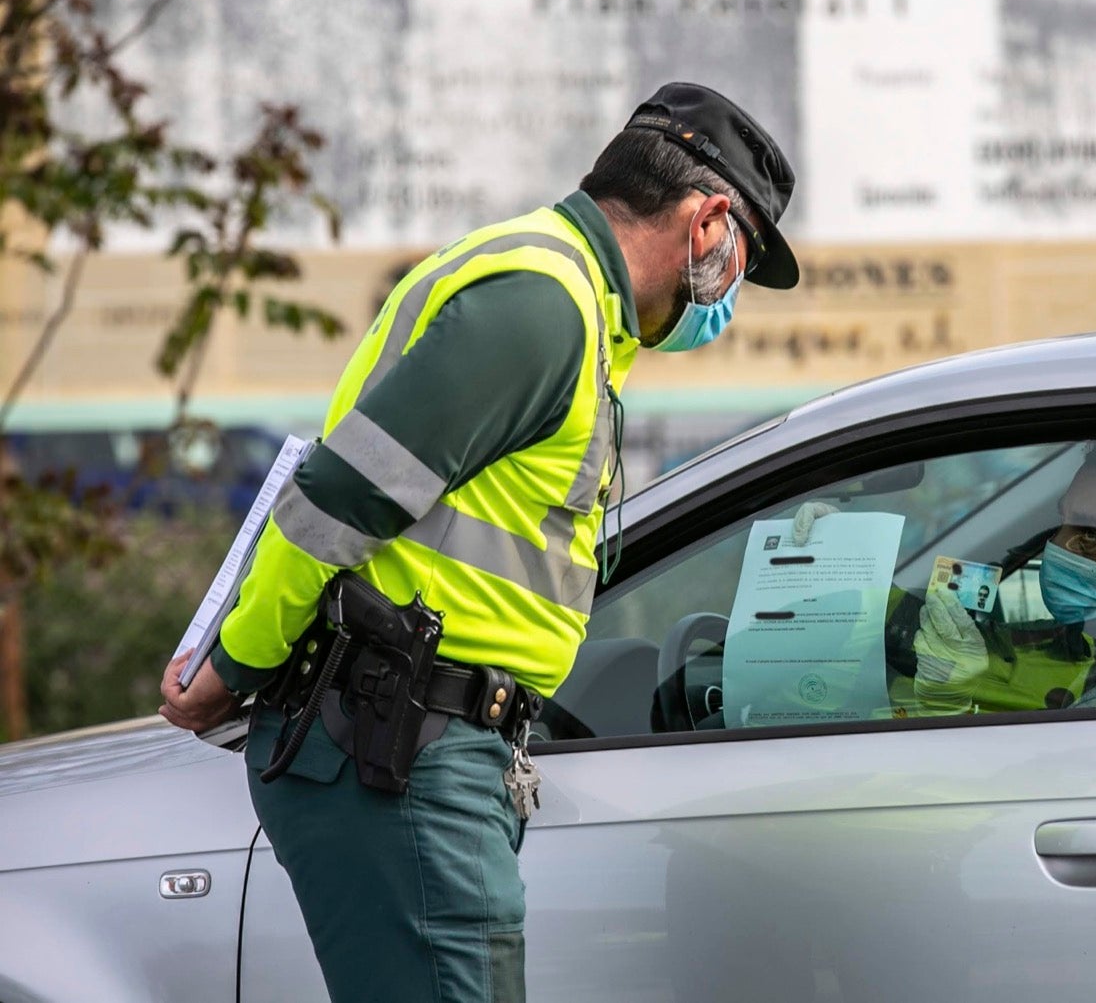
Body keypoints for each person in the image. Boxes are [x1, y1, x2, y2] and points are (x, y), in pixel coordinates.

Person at [158, 82, 800, 1003]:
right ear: (707, 224)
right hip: (398, 746)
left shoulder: (570, 304)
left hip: (425, 748)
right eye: (741, 264)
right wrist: (232, 663)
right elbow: (339, 500)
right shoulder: (541, 307)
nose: (730, 299)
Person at [797, 436, 1096, 716]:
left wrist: (944, 709)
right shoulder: (1066, 633)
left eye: (1089, 537)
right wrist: (838, 561)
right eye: (1062, 522)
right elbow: (929, 615)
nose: (1055, 548)